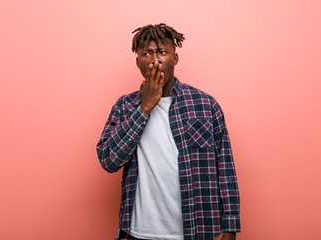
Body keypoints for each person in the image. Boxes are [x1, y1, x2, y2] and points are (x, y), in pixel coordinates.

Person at [96, 23, 240, 240]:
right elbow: (108, 160)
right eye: (146, 53)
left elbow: (225, 169)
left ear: (175, 58)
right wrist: (145, 107)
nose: (155, 60)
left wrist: (230, 228)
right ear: (137, 62)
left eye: (162, 52)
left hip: (196, 231)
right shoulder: (124, 107)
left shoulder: (205, 105)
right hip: (140, 233)